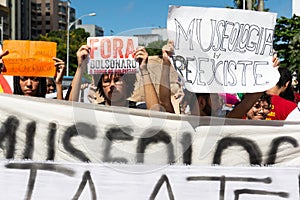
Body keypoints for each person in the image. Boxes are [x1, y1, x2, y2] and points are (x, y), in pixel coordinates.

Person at [68, 45, 160, 110]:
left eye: (117, 80)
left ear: (127, 84)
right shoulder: (95, 111)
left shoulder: (138, 108)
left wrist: (144, 69)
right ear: (100, 87)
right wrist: (80, 67)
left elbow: (156, 113)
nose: (112, 85)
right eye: (107, 81)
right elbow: (68, 109)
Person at [0, 49, 65, 99]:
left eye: (34, 79)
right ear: (17, 81)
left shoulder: (47, 106)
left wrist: (58, 83)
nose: (29, 84)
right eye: (23, 79)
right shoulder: (8, 104)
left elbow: (60, 114)